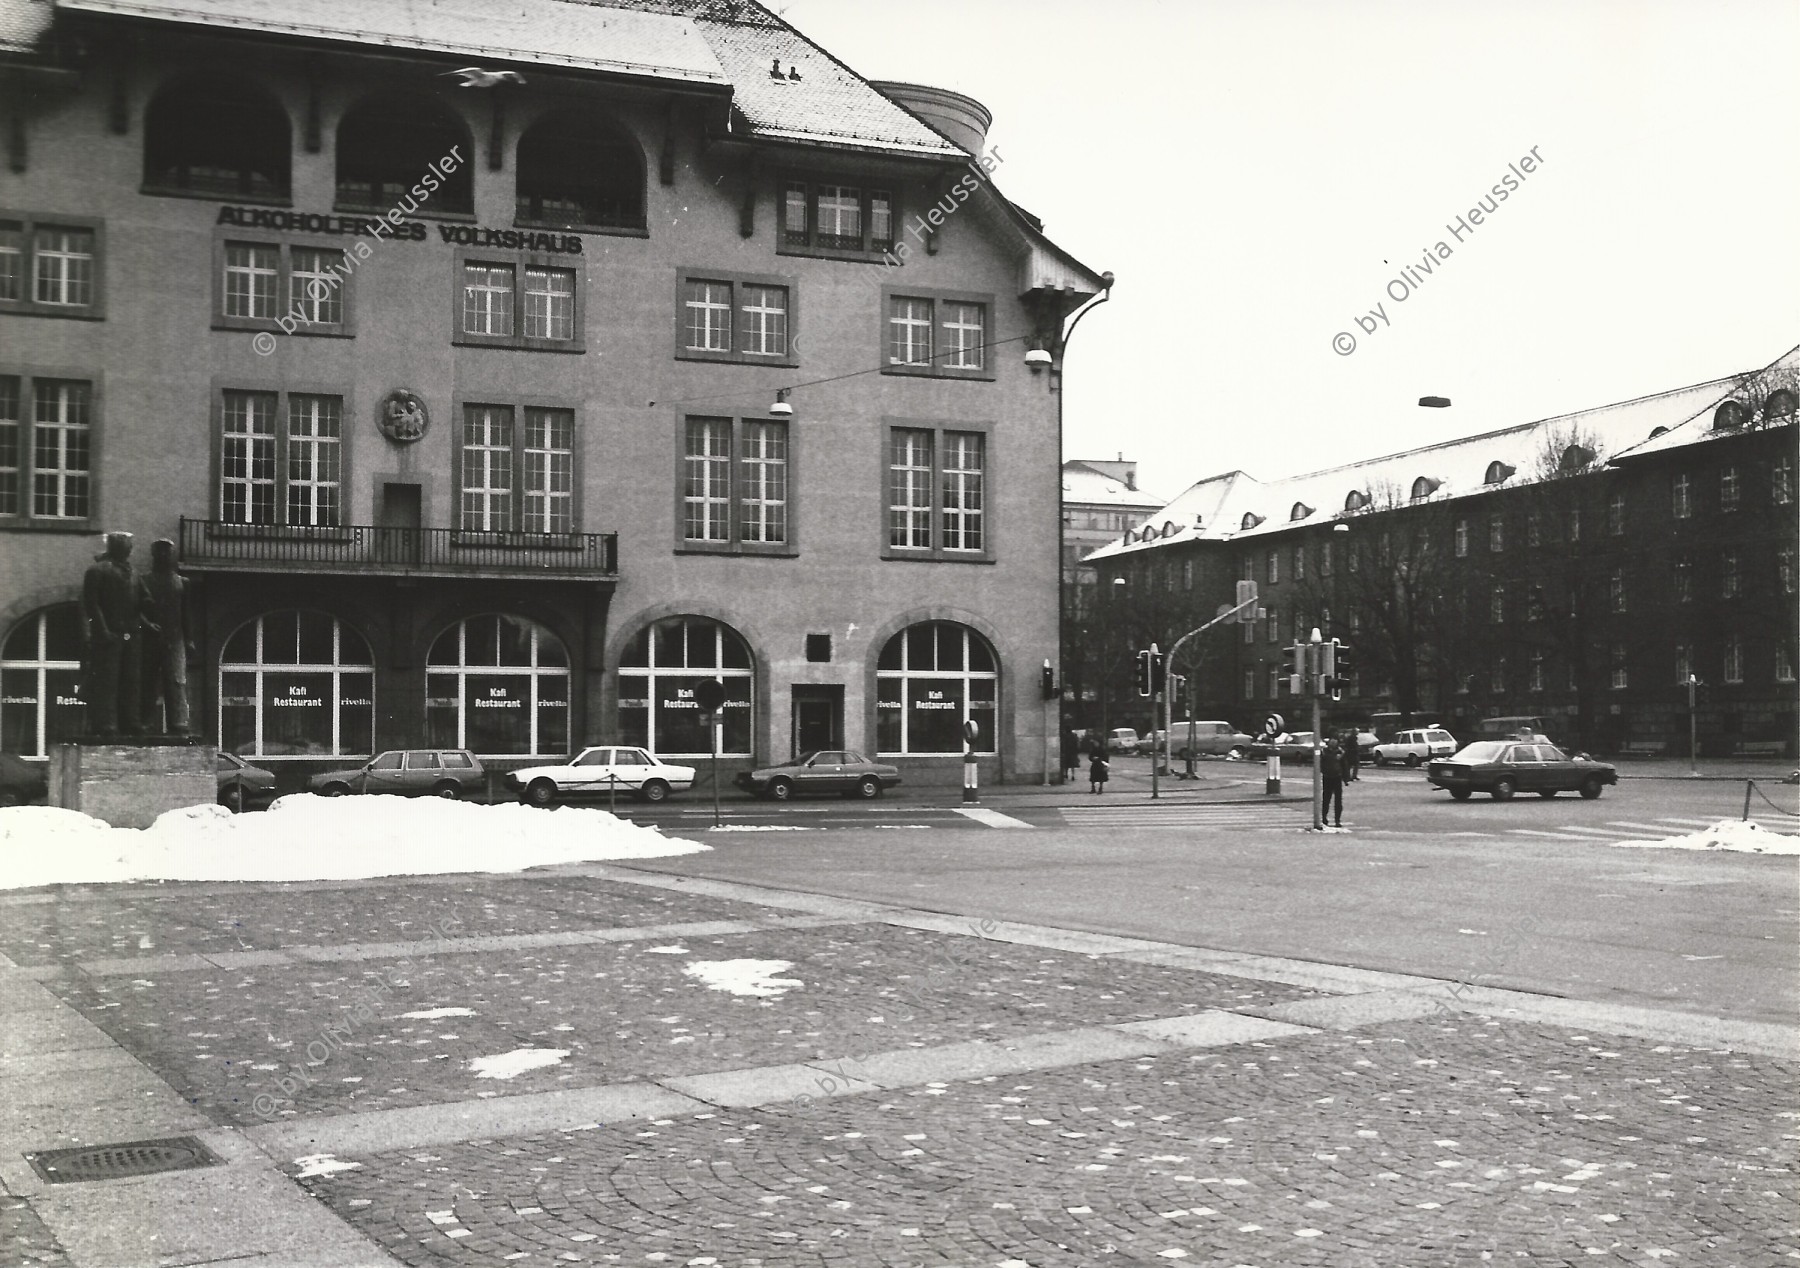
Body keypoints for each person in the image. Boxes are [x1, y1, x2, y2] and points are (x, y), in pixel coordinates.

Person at [80, 531, 143, 738]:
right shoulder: (97, 571)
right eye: (126, 546)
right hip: (110, 633)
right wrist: (102, 630)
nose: (130, 549)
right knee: (108, 681)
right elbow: (92, 604)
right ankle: (107, 723)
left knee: (131, 679)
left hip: (130, 634)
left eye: (130, 546)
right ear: (115, 547)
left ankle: (130, 722)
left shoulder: (133, 573)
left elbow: (142, 599)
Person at [139, 538, 191, 734]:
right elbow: (137, 610)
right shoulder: (143, 580)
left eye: (166, 552)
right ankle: (145, 722)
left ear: (171, 555)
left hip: (175, 639)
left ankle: (178, 721)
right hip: (149, 638)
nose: (163, 556)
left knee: (177, 681)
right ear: (153, 555)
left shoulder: (182, 583)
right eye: (159, 552)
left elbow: (186, 614)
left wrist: (190, 639)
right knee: (147, 681)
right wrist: (146, 624)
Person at [1320, 736, 1345, 827]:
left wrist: (1346, 778)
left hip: (1337, 777)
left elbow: (1344, 765)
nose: (1334, 742)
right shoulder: (1324, 751)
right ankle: (1324, 818)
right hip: (1327, 777)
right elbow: (1320, 763)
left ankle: (1337, 820)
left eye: (1335, 741)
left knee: (1338, 800)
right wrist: (1322, 771)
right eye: (1332, 740)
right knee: (1326, 799)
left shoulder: (1340, 752)